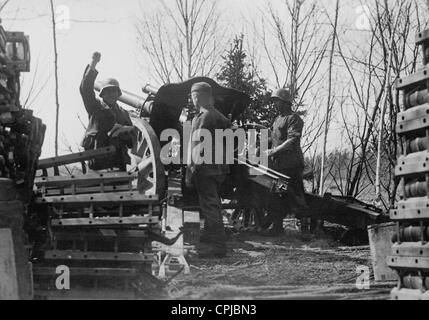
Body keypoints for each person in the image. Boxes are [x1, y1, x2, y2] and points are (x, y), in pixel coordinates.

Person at [186, 82, 231, 258]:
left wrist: (191, 170)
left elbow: (199, 146)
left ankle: (219, 247)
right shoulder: (221, 117)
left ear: (197, 96)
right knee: (214, 203)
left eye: (193, 97)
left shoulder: (203, 117)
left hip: (205, 168)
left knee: (210, 207)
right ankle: (208, 237)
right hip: (219, 169)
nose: (192, 100)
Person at [261, 88, 308, 236]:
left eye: (277, 101)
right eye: (274, 101)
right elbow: (274, 139)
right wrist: (259, 144)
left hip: (292, 166)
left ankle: (305, 230)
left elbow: (292, 140)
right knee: (278, 195)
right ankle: (277, 228)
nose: (274, 104)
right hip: (279, 168)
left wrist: (274, 151)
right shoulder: (277, 120)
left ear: (285, 102)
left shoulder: (294, 118)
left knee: (296, 195)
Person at [79, 52, 136, 171]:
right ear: (102, 94)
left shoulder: (123, 114)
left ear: (118, 94)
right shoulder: (95, 107)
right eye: (108, 91)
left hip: (119, 163)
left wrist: (124, 130)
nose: (111, 94)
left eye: (114, 91)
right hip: (98, 162)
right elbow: (85, 89)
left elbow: (133, 141)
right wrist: (93, 63)